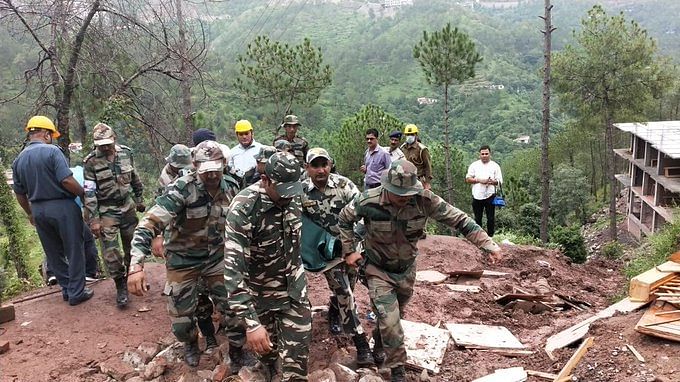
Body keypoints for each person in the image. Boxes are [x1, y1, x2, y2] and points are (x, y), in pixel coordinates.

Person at [338, 160, 502, 382]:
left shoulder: (424, 200)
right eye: (398, 193)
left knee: (393, 318)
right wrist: (349, 252)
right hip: (377, 270)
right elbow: (344, 219)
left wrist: (488, 244)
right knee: (390, 322)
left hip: (406, 270)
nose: (403, 198)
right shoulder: (368, 200)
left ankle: (379, 344)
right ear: (387, 187)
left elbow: (460, 220)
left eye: (407, 193)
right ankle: (398, 373)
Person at [127, 141, 250, 369]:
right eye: (206, 169)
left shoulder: (232, 187)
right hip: (183, 261)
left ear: (224, 163)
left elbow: (243, 222)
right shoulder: (181, 189)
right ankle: (191, 343)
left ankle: (237, 350)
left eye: (216, 167)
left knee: (235, 306)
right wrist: (136, 265)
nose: (212, 174)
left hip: (217, 259)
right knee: (181, 321)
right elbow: (148, 224)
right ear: (195, 165)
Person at [224, 152, 311, 381]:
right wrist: (251, 324)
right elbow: (233, 272)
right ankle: (269, 368)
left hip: (294, 289)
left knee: (297, 355)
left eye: (292, 192)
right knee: (266, 352)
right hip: (260, 294)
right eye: (283, 192)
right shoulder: (244, 209)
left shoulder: (294, 195)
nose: (288, 199)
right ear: (265, 180)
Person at [300, 148, 373, 366]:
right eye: (315, 165)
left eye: (324, 164)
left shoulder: (344, 186)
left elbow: (363, 214)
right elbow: (296, 220)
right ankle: (361, 344)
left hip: (350, 249)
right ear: (307, 168)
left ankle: (334, 310)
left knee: (348, 287)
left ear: (331, 165)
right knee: (345, 292)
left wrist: (351, 245)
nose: (321, 170)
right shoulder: (301, 191)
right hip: (326, 254)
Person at [12, 115, 93, 306]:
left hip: (38, 209)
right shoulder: (52, 152)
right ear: (47, 134)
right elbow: (66, 180)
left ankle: (66, 289)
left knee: (53, 251)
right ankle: (76, 292)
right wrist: (82, 194)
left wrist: (30, 213)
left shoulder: (18, 160)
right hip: (62, 206)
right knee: (74, 248)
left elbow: (19, 193)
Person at [83, 123, 145, 308]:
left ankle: (132, 277)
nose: (105, 147)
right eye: (101, 144)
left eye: (108, 143)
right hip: (106, 211)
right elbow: (90, 192)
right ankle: (120, 285)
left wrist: (139, 198)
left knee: (132, 246)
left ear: (114, 138)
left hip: (127, 207)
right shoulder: (91, 162)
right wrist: (93, 220)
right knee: (111, 252)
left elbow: (134, 177)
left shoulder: (126, 153)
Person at [465, 145, 503, 237]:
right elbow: (468, 179)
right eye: (483, 154)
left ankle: (490, 236)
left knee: (490, 218)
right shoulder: (474, 165)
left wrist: (491, 181)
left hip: (490, 195)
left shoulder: (495, 166)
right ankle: (479, 236)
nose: (484, 155)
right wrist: (479, 180)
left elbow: (500, 181)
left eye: (486, 154)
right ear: (479, 155)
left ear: (490, 154)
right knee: (478, 218)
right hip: (477, 195)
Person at [229, 119, 262, 187]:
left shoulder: (261, 149)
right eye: (241, 134)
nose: (244, 137)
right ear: (237, 135)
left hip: (257, 186)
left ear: (252, 133)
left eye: (246, 133)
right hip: (238, 187)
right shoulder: (232, 152)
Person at [400, 124, 432, 190]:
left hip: (418, 180)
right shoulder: (403, 148)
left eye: (412, 134)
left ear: (416, 135)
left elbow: (428, 166)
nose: (409, 136)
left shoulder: (422, 149)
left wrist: (427, 182)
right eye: (408, 134)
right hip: (405, 179)